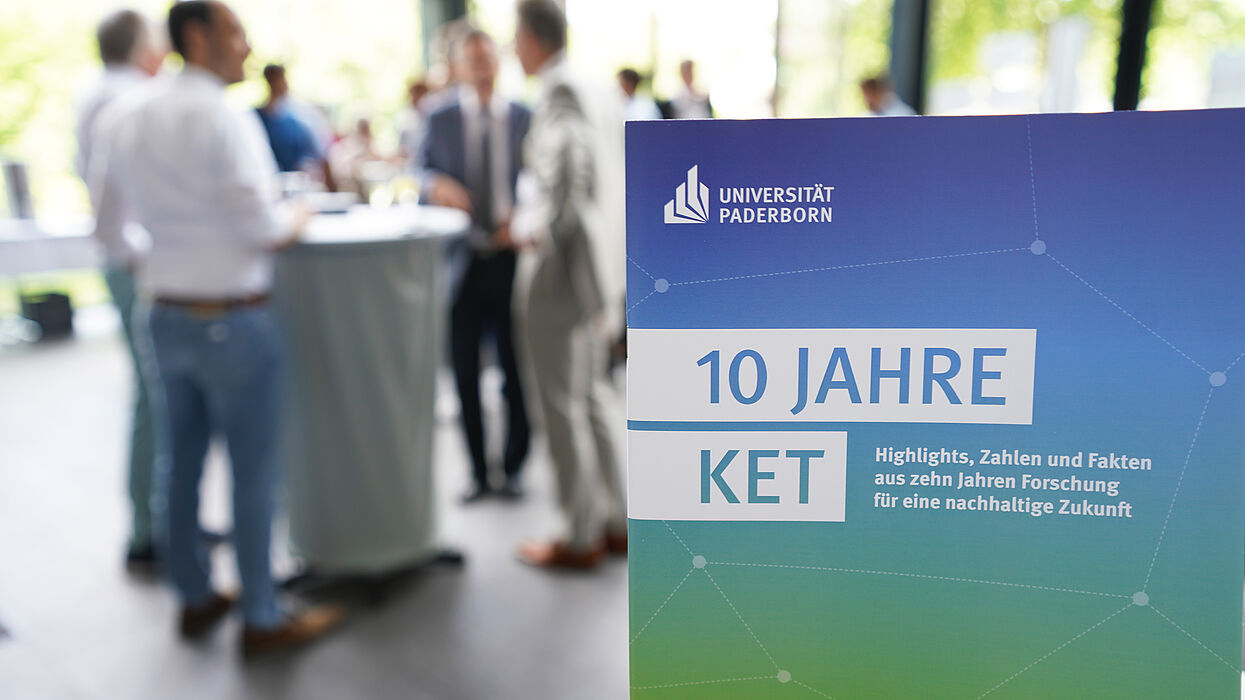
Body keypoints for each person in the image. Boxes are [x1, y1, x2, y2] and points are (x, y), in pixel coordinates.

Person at [90, 0, 343, 654]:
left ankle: (194, 594)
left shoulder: (126, 116)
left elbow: (109, 232)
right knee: (254, 472)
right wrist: (301, 215)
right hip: (234, 319)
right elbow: (262, 229)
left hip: (164, 313)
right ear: (198, 36)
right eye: (236, 32)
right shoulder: (224, 118)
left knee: (179, 462)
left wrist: (167, 263)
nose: (247, 46)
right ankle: (262, 614)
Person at [511, 0, 627, 569]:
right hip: (599, 273)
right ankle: (618, 520)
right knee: (595, 395)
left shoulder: (558, 90)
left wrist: (542, 233)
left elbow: (570, 178)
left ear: (531, 39)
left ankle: (579, 534)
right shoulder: (598, 86)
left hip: (563, 275)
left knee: (560, 402)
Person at [419, 29, 532, 504]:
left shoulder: (524, 115)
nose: (482, 67)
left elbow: (540, 181)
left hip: (511, 257)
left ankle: (514, 466)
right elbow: (419, 172)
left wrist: (524, 215)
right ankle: (478, 472)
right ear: (458, 67)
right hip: (461, 261)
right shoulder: (439, 116)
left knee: (516, 368)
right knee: (464, 372)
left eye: (488, 58)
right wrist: (434, 185)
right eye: (473, 60)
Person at [76, 8, 168, 572]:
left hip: (125, 260)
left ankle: (159, 516)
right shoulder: (127, 98)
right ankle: (148, 529)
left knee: (153, 393)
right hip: (137, 266)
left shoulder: (96, 93)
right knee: (155, 396)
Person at [255, 63, 335, 189]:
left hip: (294, 185)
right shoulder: (257, 119)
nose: (285, 85)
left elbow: (315, 153)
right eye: (281, 80)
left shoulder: (295, 120)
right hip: (268, 183)